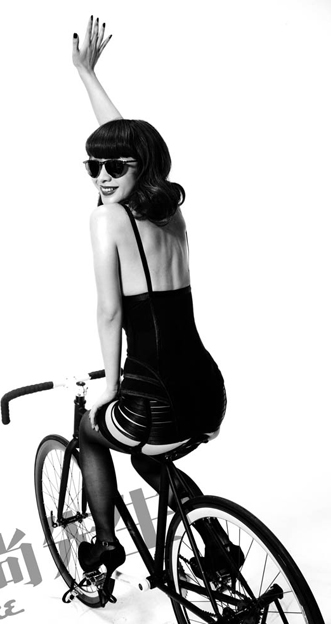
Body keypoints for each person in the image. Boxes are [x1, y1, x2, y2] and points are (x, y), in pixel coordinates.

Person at [71, 17, 227, 590]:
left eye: (115, 167)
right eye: (93, 166)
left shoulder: (108, 219)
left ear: (139, 168)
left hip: (153, 399)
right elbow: (128, 145)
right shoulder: (169, 211)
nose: (103, 176)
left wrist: (110, 386)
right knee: (148, 457)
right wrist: (87, 76)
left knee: (89, 429)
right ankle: (217, 547)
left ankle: (106, 546)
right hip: (206, 393)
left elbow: (111, 312)